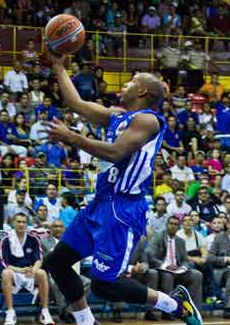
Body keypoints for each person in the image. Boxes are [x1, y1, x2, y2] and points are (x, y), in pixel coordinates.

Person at [41, 55, 202, 325]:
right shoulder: (117, 117)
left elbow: (117, 152)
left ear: (141, 91)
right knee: (56, 262)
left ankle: (175, 304)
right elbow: (77, 104)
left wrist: (73, 137)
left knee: (104, 285)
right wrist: (58, 66)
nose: (123, 85)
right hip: (100, 203)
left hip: (122, 208)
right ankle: (86, 321)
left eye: (130, 82)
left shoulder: (148, 121)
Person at [0, 213, 54, 325]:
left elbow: (39, 259)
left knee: (42, 273)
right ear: (13, 223)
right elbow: (4, 263)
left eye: (24, 222)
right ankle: (10, 312)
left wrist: (33, 270)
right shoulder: (6, 239)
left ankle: (45, 312)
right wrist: (20, 270)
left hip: (30, 272)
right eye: (18, 221)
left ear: (26, 224)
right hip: (14, 272)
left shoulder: (33, 239)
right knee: (5, 273)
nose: (21, 224)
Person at [147, 216, 203, 320]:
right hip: (161, 270)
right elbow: (151, 256)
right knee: (168, 276)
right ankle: (168, 311)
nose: (173, 226)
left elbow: (185, 260)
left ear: (178, 227)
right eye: (171, 223)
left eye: (176, 224)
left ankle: (191, 309)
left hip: (178, 271)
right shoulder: (157, 237)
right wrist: (165, 266)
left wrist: (183, 267)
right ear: (166, 225)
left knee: (197, 274)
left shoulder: (180, 241)